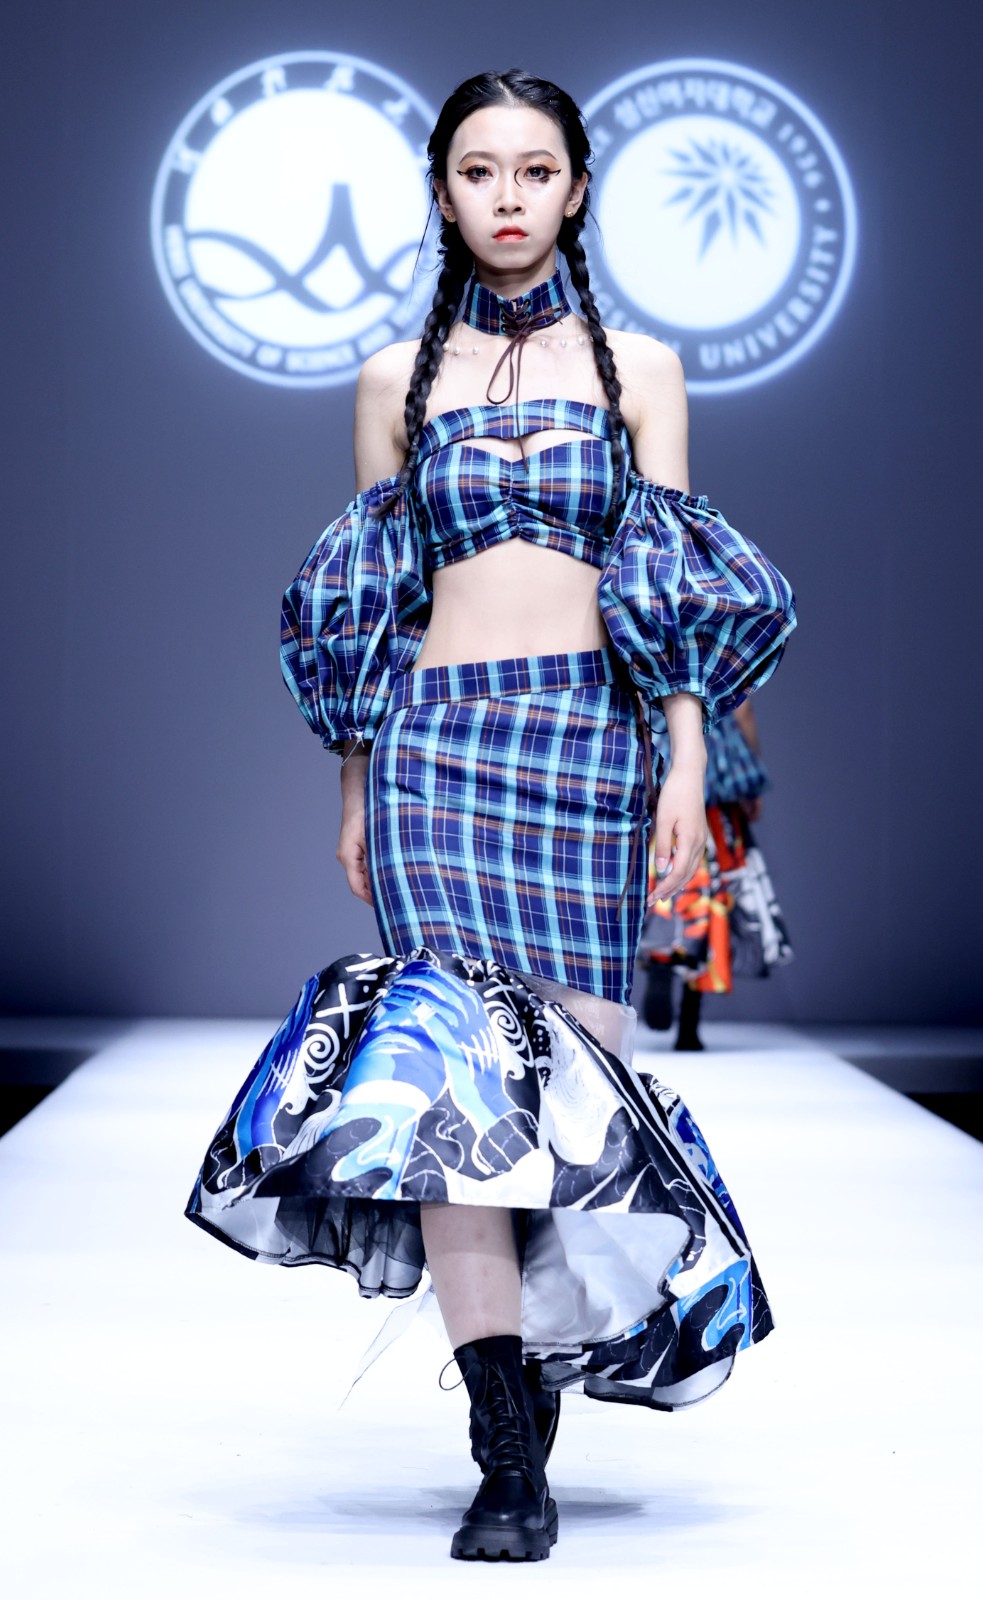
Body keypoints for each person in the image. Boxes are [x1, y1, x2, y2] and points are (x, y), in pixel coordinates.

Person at [185, 69, 797, 1564]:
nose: (506, 196)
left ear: (575, 189)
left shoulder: (642, 369)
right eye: (477, 170)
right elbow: (368, 597)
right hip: (436, 754)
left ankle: (533, 1386)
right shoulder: (389, 376)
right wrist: (352, 778)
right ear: (443, 191)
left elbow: (666, 578)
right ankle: (502, 1448)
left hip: (587, 748)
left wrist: (681, 763)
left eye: (533, 169)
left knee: (570, 1100)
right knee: (447, 1097)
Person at [639, 700, 794, 1050]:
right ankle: (689, 1022)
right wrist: (751, 777)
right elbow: (743, 710)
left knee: (662, 869)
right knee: (712, 894)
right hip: (716, 772)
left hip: (665, 756)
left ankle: (661, 962)